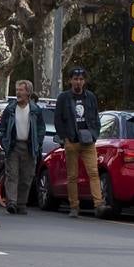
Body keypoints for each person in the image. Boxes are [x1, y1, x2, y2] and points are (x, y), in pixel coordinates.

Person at [53, 66, 100, 217]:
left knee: (93, 172)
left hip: (88, 141)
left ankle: (99, 204)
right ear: (70, 81)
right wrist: (64, 138)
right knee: (72, 176)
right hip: (71, 141)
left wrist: (94, 135)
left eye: (81, 79)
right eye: (75, 79)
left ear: (84, 81)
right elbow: (58, 120)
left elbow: (96, 117)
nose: (78, 82)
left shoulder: (90, 97)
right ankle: (74, 206)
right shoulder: (63, 98)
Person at [0, 80, 46, 216]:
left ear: (28, 93)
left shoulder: (35, 110)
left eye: (21, 90)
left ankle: (21, 203)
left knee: (27, 177)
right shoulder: (10, 109)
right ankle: (11, 202)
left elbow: (41, 128)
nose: (18, 92)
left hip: (29, 147)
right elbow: (2, 128)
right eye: (17, 89)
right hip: (13, 146)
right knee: (12, 175)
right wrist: (4, 142)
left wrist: (38, 143)